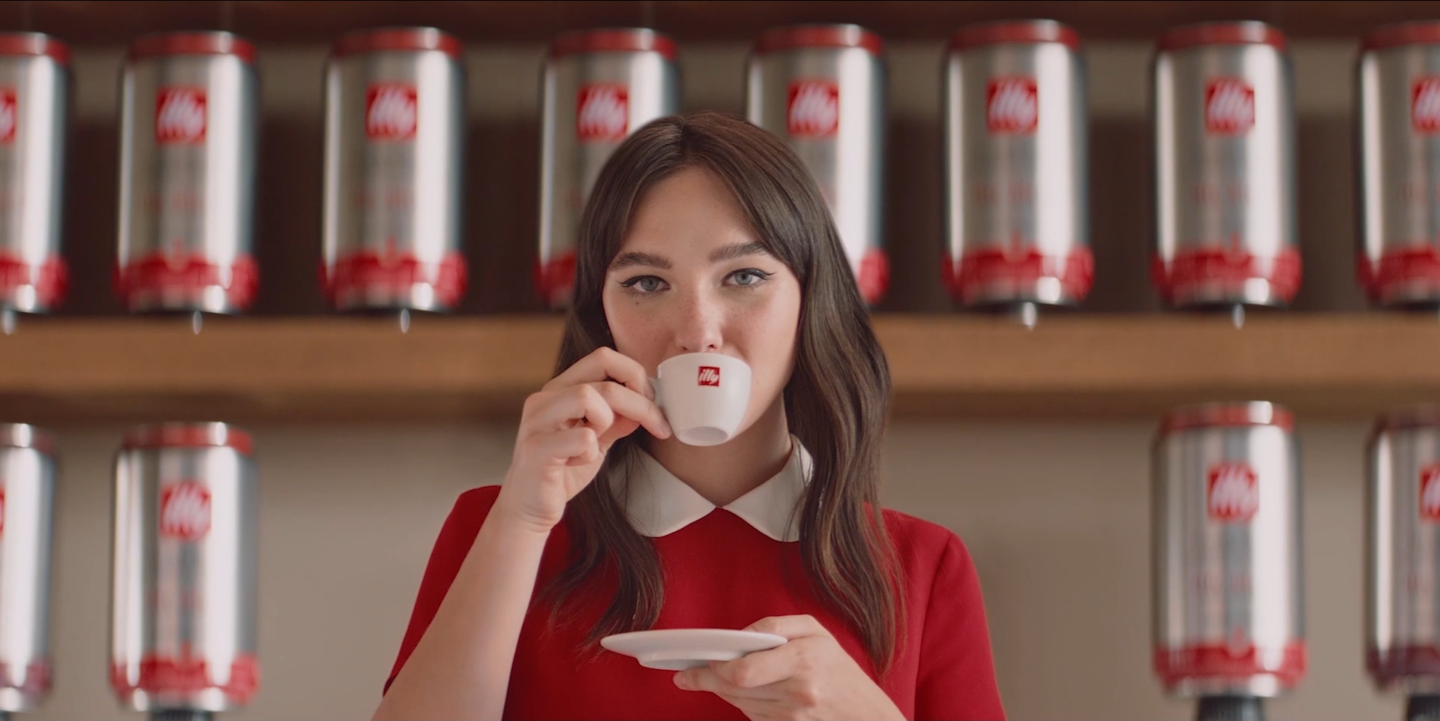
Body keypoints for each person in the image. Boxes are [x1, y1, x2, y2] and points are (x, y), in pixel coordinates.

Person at [372, 111, 1005, 721]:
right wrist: (522, 518)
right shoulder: (501, 527)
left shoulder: (922, 565)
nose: (697, 332)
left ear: (811, 299)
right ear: (603, 316)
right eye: (647, 283)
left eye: (745, 276)